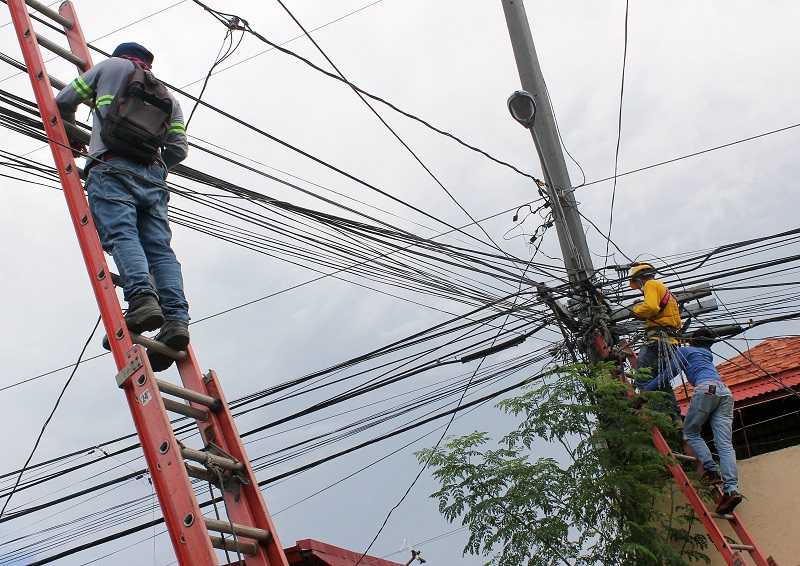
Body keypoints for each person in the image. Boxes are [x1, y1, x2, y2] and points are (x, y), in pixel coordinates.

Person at [56, 42, 189, 370]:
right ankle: (176, 321)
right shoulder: (168, 98)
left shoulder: (109, 67)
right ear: (149, 64)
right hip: (154, 176)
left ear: (121, 55)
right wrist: (149, 167)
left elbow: (62, 101)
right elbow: (179, 149)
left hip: (111, 165)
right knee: (160, 249)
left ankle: (142, 300)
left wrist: (74, 134)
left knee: (122, 234)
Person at [641, 328, 743, 514]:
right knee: (725, 445)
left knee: (690, 432)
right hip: (725, 393)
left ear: (691, 340)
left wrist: (646, 388)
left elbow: (668, 374)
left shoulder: (685, 351)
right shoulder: (707, 353)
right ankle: (731, 489)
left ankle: (711, 470)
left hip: (706, 389)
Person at [629, 263, 682, 417]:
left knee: (642, 375)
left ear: (639, 280)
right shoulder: (666, 291)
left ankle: (653, 410)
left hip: (656, 341)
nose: (639, 289)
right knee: (660, 381)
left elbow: (651, 308)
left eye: (637, 285)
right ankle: (674, 417)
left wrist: (636, 310)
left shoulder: (650, 285)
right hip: (670, 342)